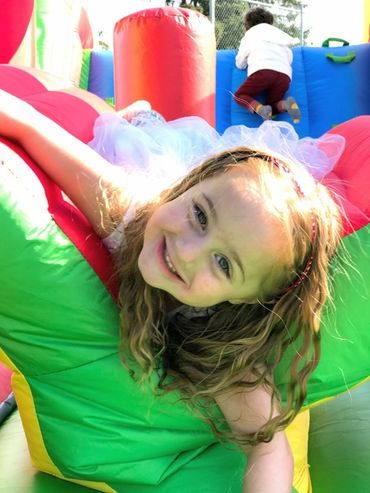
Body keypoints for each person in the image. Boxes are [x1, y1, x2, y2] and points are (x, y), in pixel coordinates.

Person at [0, 88, 343, 493]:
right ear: (189, 187)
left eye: (224, 264)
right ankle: (136, 116)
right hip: (152, 167)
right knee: (125, 139)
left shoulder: (221, 348)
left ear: (247, 300)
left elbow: (268, 447)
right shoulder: (128, 214)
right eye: (199, 214)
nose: (187, 250)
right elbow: (31, 126)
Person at [234, 7, 301, 123]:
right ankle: (285, 105)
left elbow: (240, 62)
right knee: (274, 105)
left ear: (248, 25)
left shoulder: (250, 35)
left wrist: (243, 63)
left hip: (263, 71)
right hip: (284, 75)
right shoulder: (279, 35)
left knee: (240, 96)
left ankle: (260, 108)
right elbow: (289, 57)